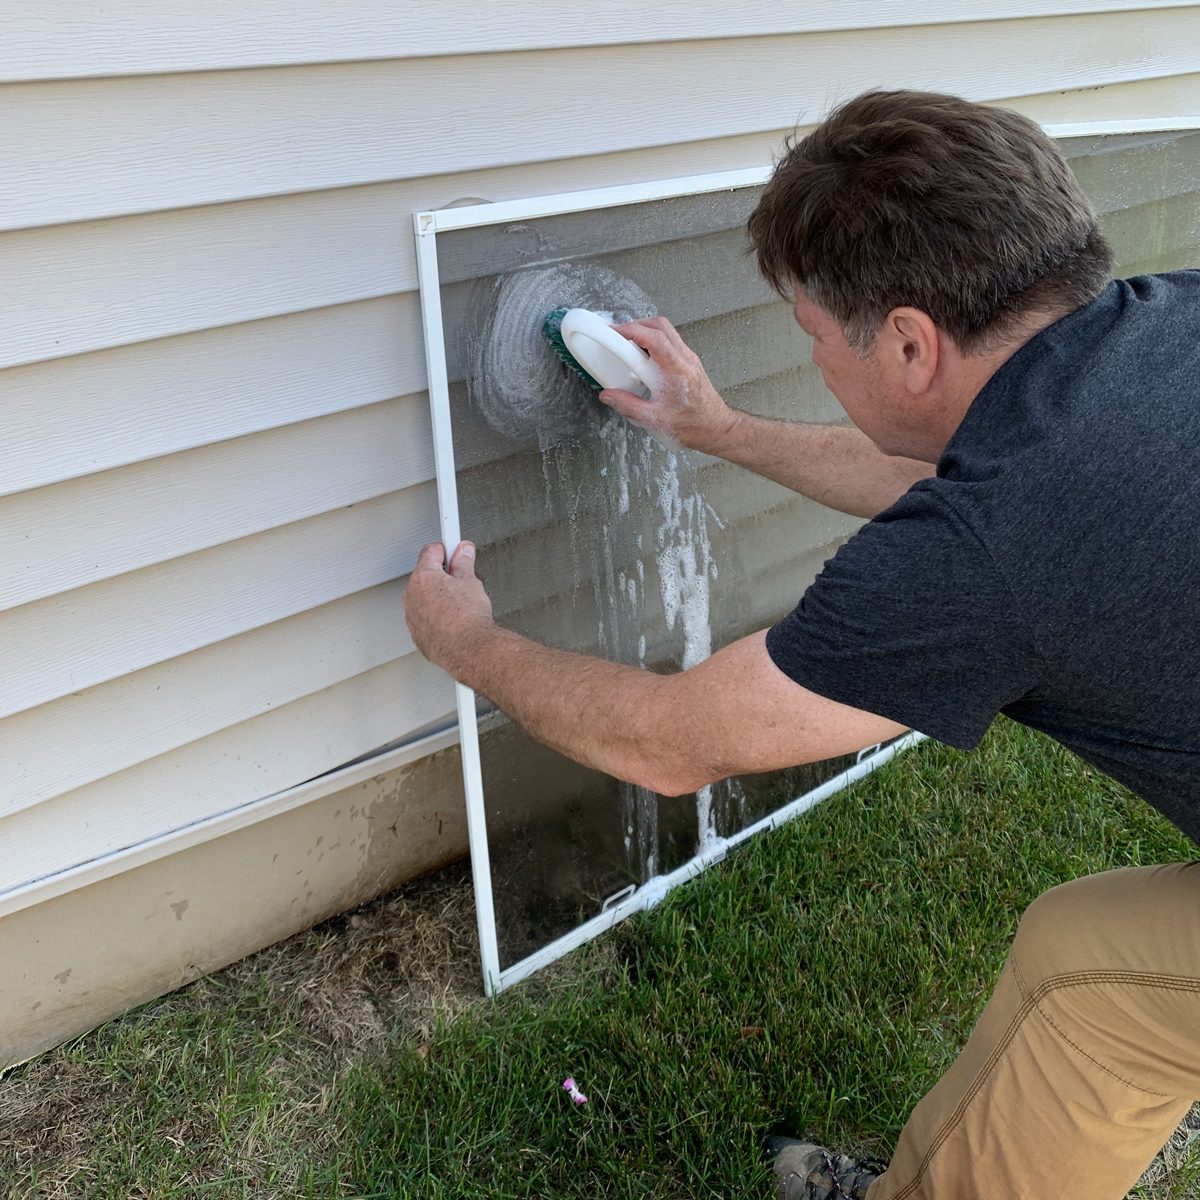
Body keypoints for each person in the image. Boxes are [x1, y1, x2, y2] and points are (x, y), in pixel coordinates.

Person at [403, 90, 1200, 1198]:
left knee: (1094, 989)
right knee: (1089, 961)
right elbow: (977, 476)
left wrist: (471, 645)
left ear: (913, 343)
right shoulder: (1166, 326)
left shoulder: (994, 550)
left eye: (816, 337)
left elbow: (670, 745)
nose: (816, 359)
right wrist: (714, 428)